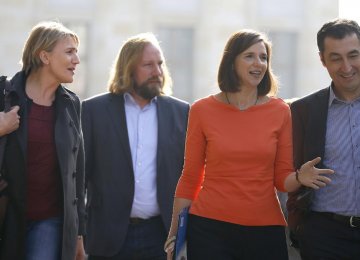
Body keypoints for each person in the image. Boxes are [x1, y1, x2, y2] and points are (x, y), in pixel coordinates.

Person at [165, 29, 334, 260]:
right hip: (208, 228)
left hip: (264, 230)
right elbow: (190, 176)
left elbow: (281, 179)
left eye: (263, 57)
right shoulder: (201, 110)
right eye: (250, 56)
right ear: (231, 60)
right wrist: (175, 234)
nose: (259, 63)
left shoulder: (280, 111)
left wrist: (299, 178)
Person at [81, 32, 189, 259]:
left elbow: (189, 176)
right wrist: (78, 234)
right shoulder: (94, 111)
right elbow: (79, 177)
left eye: (160, 64)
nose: (157, 72)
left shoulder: (181, 113)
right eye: (148, 65)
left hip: (160, 237)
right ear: (128, 69)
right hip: (107, 236)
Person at [0, 21, 86, 260]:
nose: (77, 60)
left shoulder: (71, 104)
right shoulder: (4, 94)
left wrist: (79, 235)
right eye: (69, 52)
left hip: (50, 223)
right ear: (45, 56)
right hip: (7, 218)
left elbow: (77, 172)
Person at [287, 18, 360, 260]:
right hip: (325, 237)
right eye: (336, 58)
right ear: (322, 60)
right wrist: (299, 177)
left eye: (353, 55)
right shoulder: (303, 110)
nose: (347, 66)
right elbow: (287, 171)